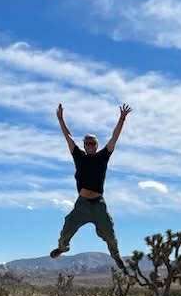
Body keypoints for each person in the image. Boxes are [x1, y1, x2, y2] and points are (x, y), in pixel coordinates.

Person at [50, 102, 131, 271]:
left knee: (109, 232)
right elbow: (68, 137)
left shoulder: (103, 156)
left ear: (97, 145)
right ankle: (63, 248)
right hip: (82, 205)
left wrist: (122, 119)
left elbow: (114, 137)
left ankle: (116, 256)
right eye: (87, 143)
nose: (90, 145)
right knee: (67, 227)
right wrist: (60, 119)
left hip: (98, 204)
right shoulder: (78, 156)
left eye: (93, 143)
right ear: (84, 145)